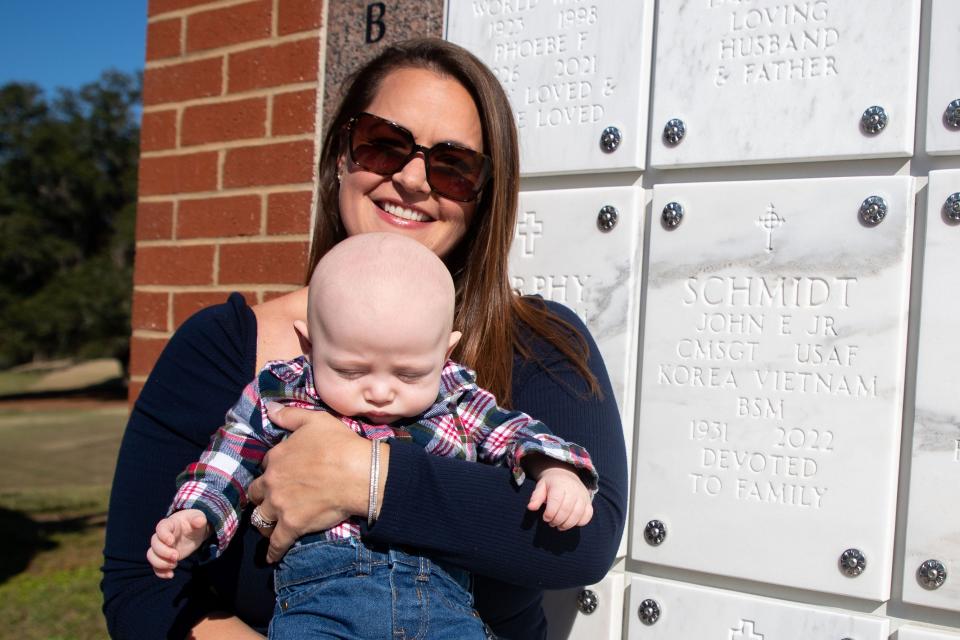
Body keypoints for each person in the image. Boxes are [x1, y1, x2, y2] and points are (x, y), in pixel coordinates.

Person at [102, 37, 628, 640]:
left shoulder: (539, 342)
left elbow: (585, 542)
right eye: (384, 144)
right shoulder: (231, 354)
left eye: (454, 165)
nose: (410, 179)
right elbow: (141, 590)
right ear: (341, 159)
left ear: (485, 197)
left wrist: (367, 478)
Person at [147, 233, 598, 638]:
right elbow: (228, 457)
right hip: (320, 607)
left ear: (446, 353)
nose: (380, 392)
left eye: (409, 373)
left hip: (443, 607)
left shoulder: (456, 397)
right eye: (350, 370)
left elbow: (514, 431)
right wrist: (199, 515)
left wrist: (553, 467)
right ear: (309, 345)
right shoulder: (283, 393)